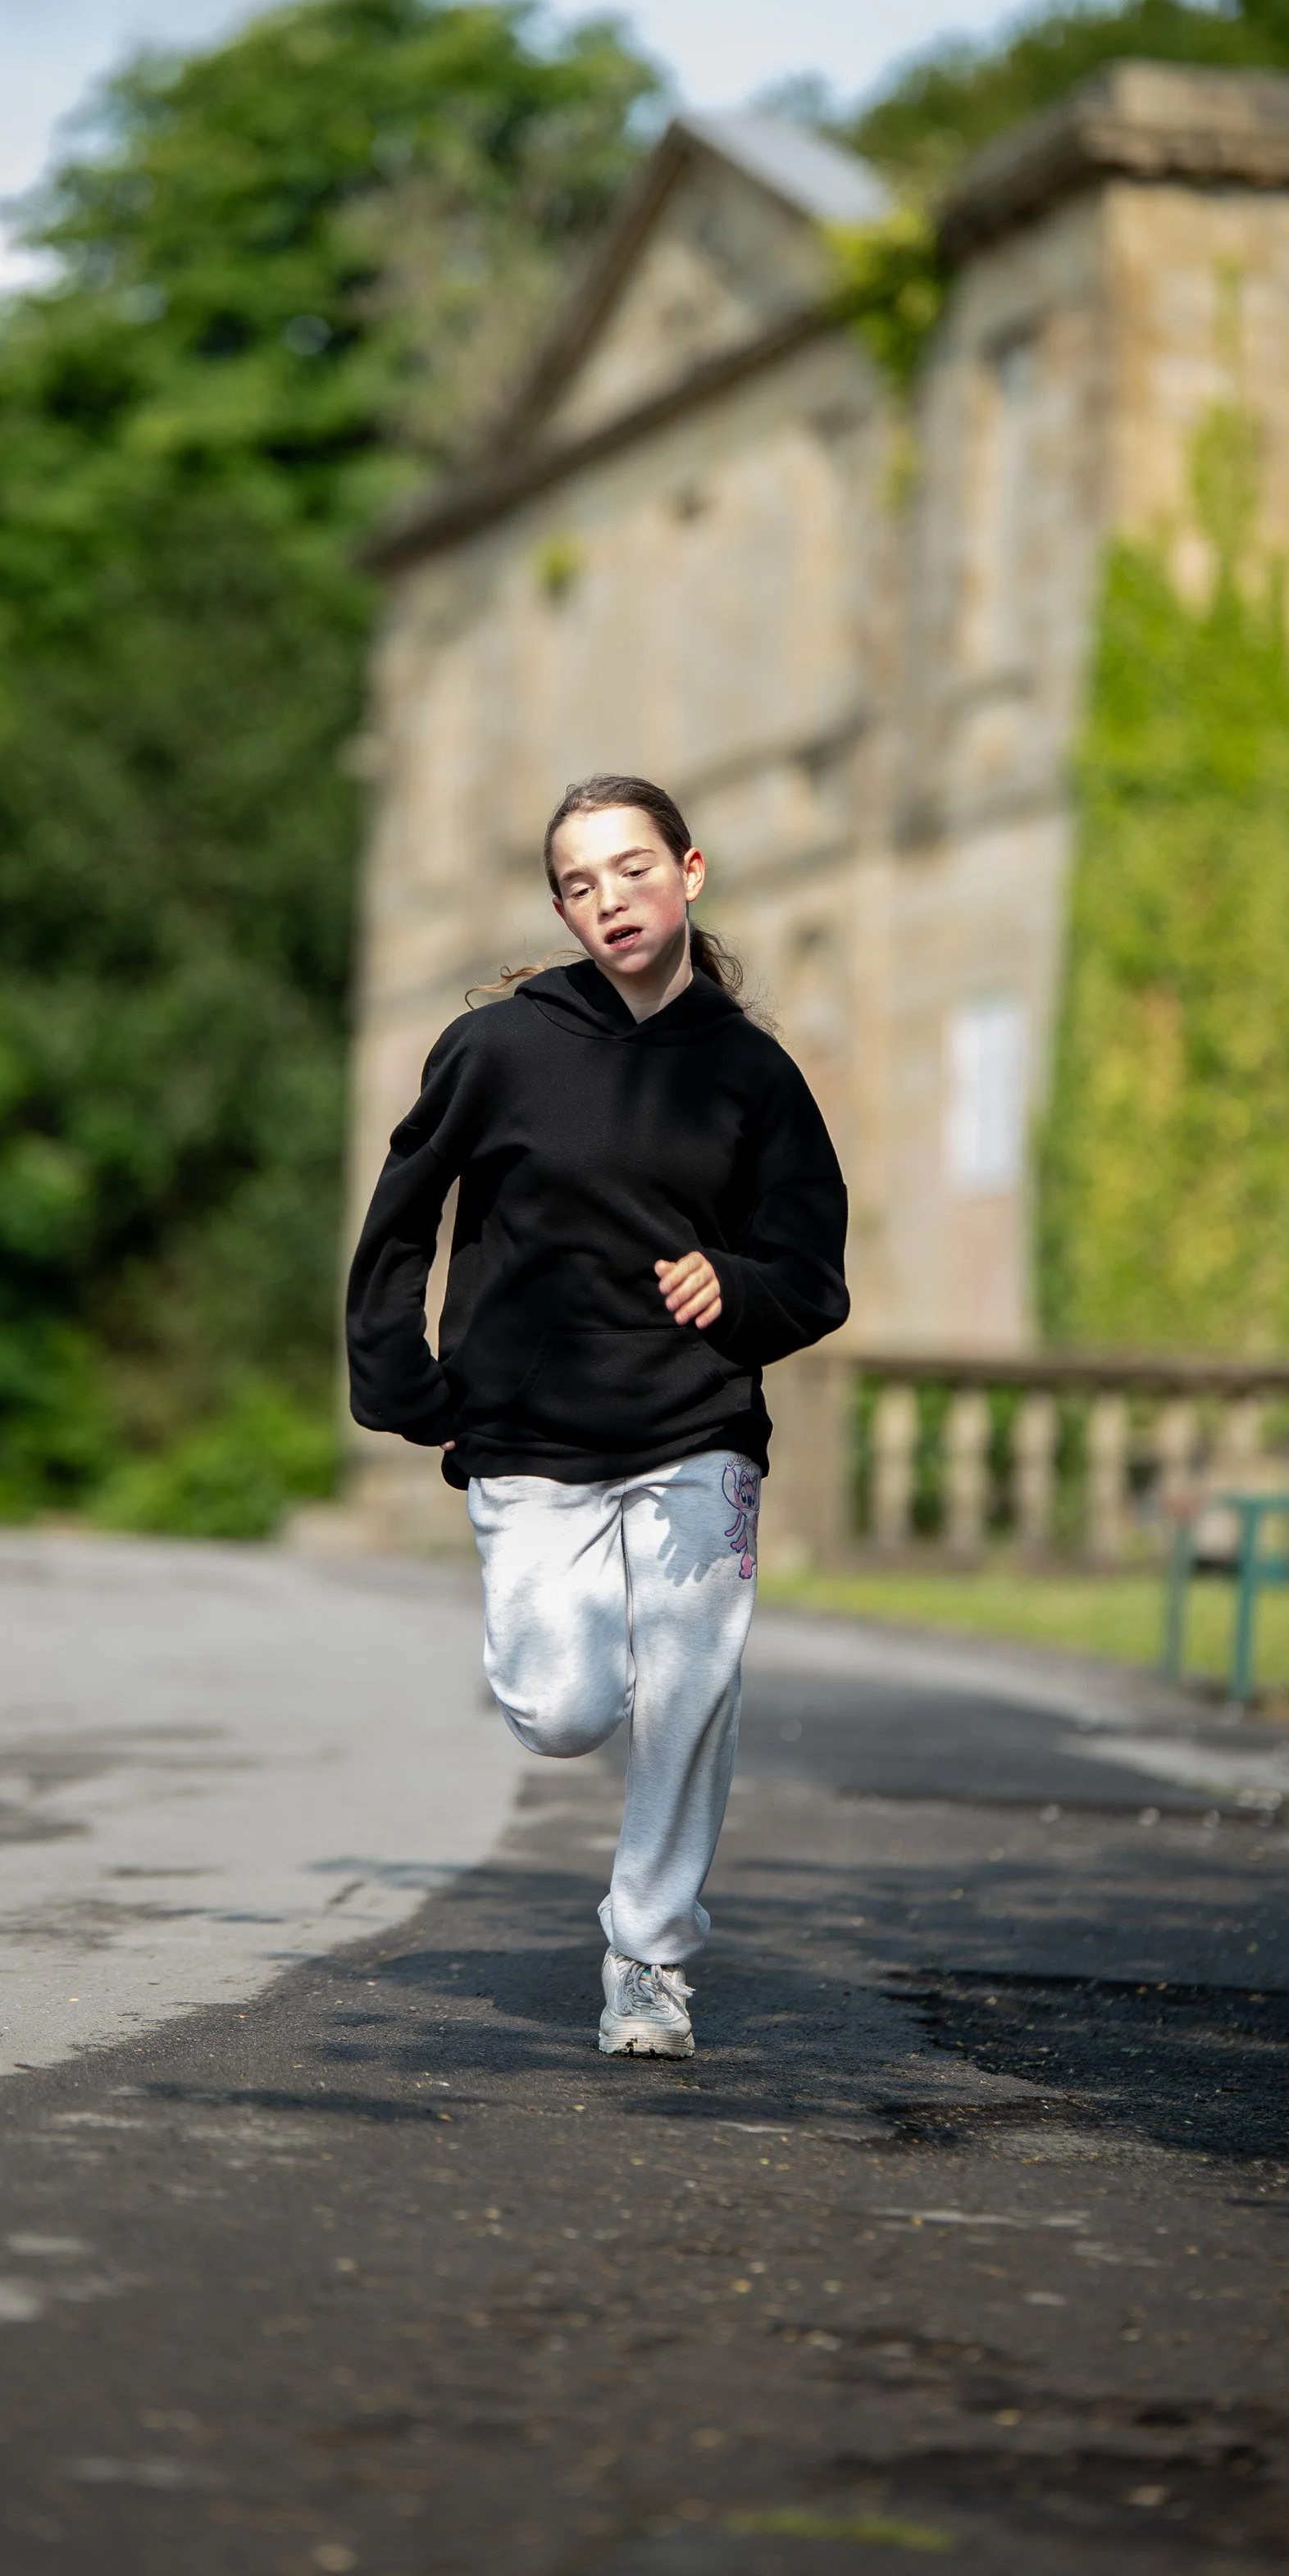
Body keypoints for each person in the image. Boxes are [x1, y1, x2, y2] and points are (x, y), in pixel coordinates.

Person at [345, 773, 849, 2059]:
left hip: (696, 1426)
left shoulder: (752, 1074)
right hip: (528, 1432)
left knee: (691, 1678)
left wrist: (733, 1286)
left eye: (632, 868)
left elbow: (813, 1273)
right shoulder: (498, 1048)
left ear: (690, 872)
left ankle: (649, 1958)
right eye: (580, 882)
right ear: (562, 909)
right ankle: (591, 1660)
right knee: (564, 1709)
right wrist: (402, 1379)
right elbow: (400, 1219)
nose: (609, 898)